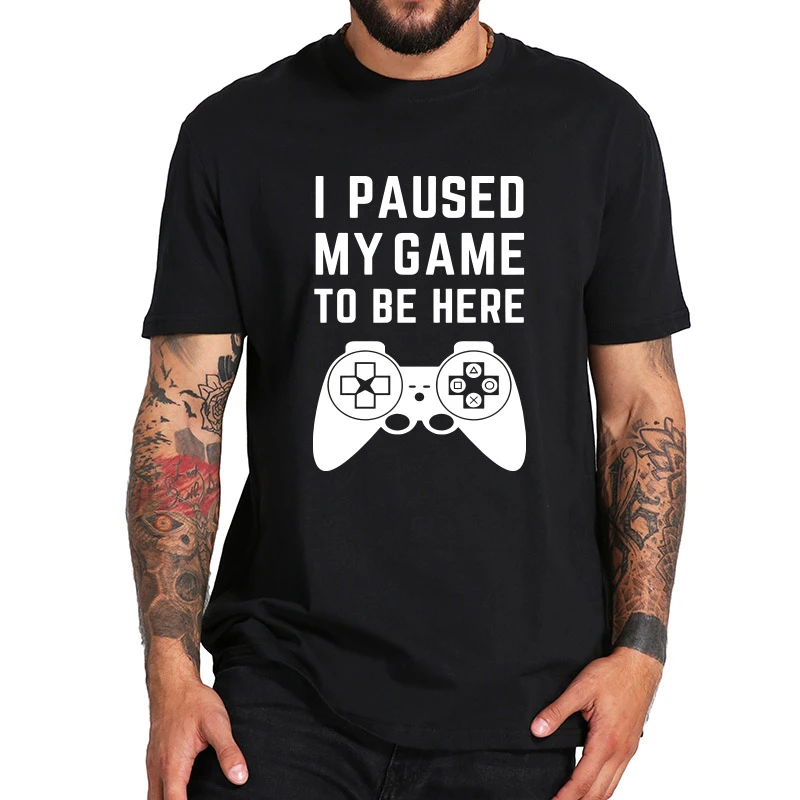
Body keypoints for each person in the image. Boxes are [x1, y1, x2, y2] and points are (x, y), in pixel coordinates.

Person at [127, 2, 690, 798]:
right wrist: (170, 671)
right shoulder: (234, 135)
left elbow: (640, 411)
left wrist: (641, 654)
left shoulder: (597, 129)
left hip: (523, 698)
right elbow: (183, 406)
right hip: (282, 684)